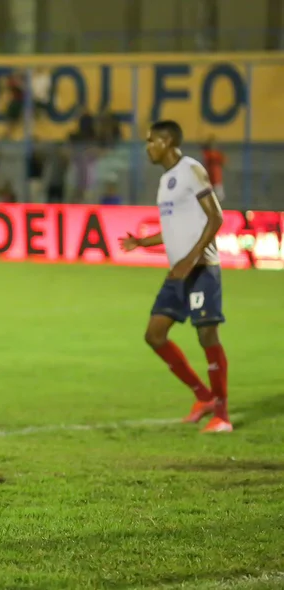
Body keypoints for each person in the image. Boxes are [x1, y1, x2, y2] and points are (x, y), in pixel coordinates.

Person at [120, 120, 231, 433]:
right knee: (154, 335)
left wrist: (191, 259)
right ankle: (203, 396)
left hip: (201, 269)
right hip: (179, 272)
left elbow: (216, 217)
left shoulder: (191, 169)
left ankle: (222, 414)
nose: (147, 147)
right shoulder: (167, 179)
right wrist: (144, 241)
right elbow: (174, 228)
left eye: (151, 140)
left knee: (207, 335)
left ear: (167, 141)